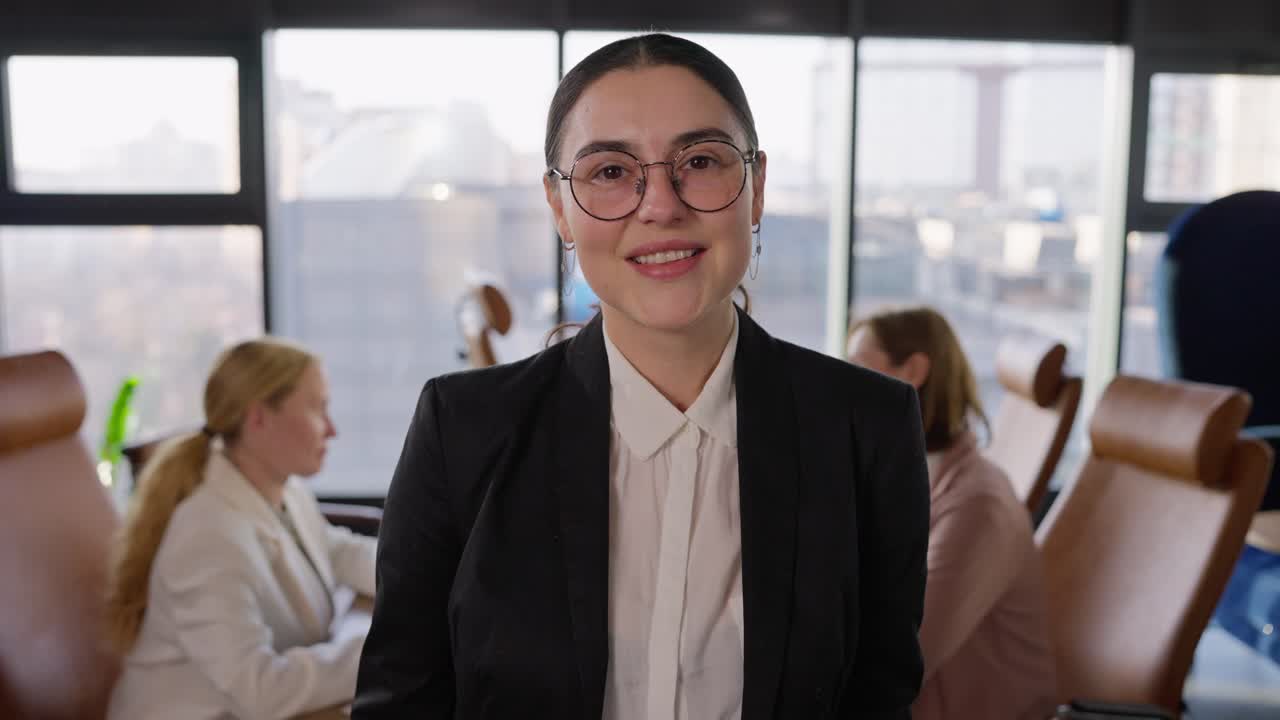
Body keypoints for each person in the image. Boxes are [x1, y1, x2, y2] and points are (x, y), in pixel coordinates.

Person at [354, 33, 929, 719]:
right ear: (559, 206)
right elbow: (401, 704)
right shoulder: (462, 431)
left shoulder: (868, 428)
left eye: (702, 160)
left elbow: (879, 697)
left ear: (757, 187)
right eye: (609, 172)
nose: (660, 205)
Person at [104, 338, 377, 720]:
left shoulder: (283, 491)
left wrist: (426, 575)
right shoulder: (208, 536)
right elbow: (260, 689)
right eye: (317, 408)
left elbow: (336, 551)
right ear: (258, 417)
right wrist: (382, 650)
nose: (332, 430)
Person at [847, 307, 1057, 720]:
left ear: (912, 371)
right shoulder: (901, 477)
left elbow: (905, 654)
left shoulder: (977, 508)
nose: (843, 385)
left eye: (856, 368)